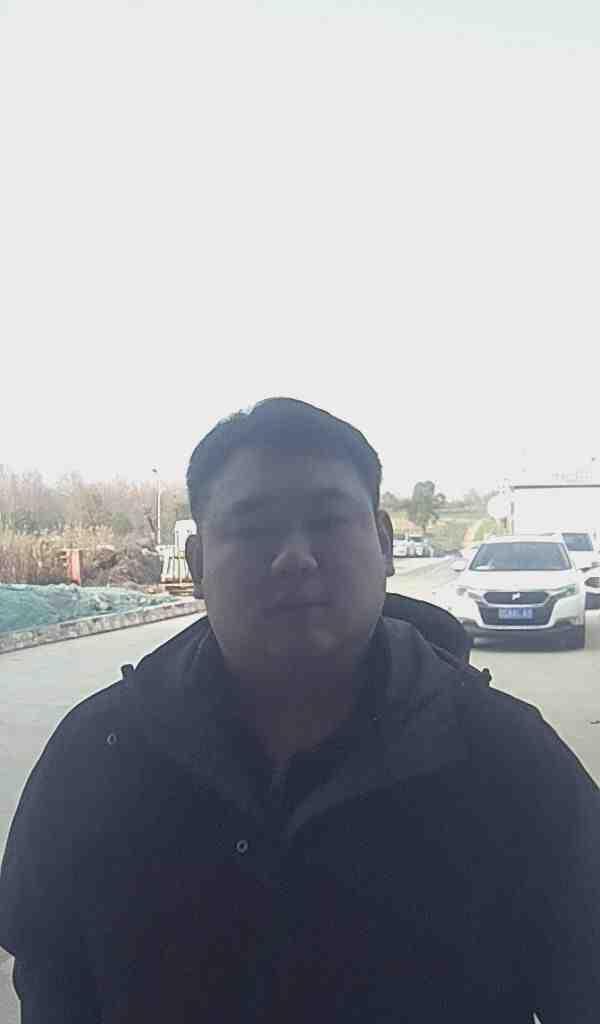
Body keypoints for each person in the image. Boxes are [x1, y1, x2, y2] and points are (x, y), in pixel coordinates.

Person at [0, 397, 598, 1023]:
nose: (295, 557)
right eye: (254, 528)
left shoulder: (508, 760)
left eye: (328, 520)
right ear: (198, 564)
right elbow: (52, 986)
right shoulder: (96, 756)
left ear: (384, 544)